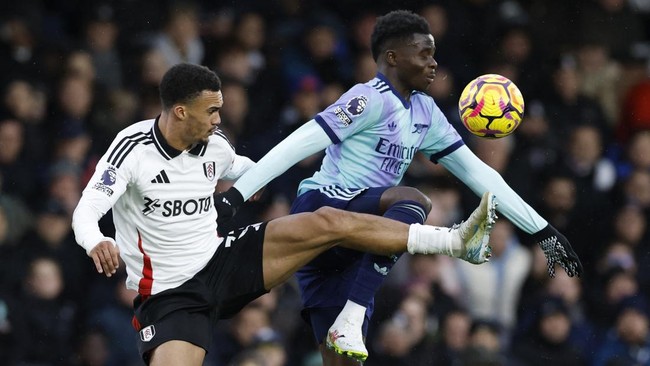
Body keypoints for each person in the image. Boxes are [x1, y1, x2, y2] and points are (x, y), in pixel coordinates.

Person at [214, 10, 583, 364]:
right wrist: (237, 193)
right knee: (413, 200)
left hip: (360, 243)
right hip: (321, 210)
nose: (434, 63)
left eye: (434, 54)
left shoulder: (426, 113)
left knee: (340, 359)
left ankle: (350, 319)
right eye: (424, 53)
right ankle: (356, 311)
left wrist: (542, 230)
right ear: (392, 56)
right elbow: (302, 141)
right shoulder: (369, 98)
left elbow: (479, 174)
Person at [71, 62, 497, 366]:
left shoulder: (215, 145)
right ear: (180, 111)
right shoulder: (133, 149)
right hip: (171, 294)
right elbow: (86, 211)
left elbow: (243, 167)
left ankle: (456, 240)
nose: (220, 119)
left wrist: (253, 184)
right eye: (211, 111)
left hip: (224, 260)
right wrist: (97, 240)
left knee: (326, 220)